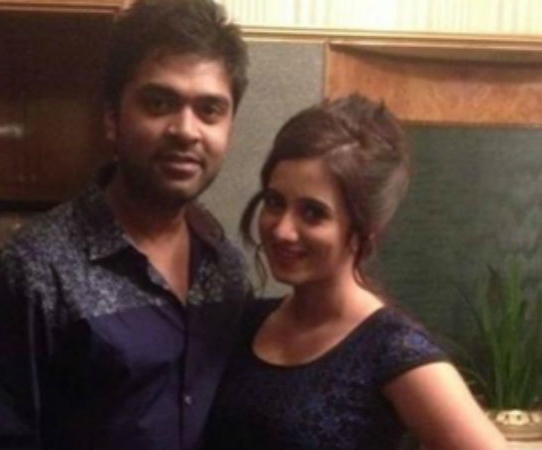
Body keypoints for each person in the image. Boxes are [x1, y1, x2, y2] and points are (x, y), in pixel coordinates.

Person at [0, 1, 249, 449]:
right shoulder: (34, 272)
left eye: (209, 110)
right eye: (159, 103)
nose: (186, 130)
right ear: (113, 117)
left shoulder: (226, 270)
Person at [204, 94, 507, 450]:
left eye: (313, 213)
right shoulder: (247, 321)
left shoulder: (390, 347)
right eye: (275, 202)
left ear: (363, 229)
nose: (283, 230)